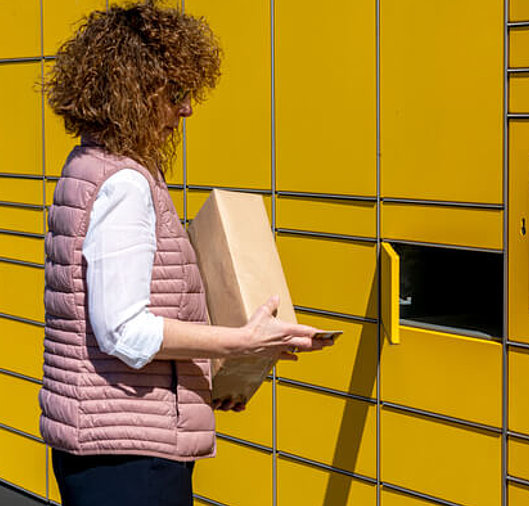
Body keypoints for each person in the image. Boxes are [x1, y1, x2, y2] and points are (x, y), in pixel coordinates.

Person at [38, 3, 333, 505]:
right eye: (175, 93)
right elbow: (124, 331)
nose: (187, 108)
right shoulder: (125, 183)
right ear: (133, 93)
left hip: (117, 441)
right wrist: (240, 342)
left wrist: (211, 378)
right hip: (130, 460)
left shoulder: (93, 165)